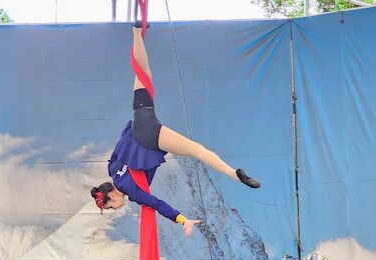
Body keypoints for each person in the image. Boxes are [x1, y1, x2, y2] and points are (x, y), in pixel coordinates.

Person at [91, 24, 260, 236]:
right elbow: (118, 148)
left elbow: (157, 204)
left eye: (110, 207)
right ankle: (137, 31)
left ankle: (236, 175)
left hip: (149, 136)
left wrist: (182, 220)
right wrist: (133, 130)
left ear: (111, 197)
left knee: (197, 150)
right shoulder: (113, 171)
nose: (115, 209)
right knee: (143, 74)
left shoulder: (133, 193)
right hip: (140, 119)